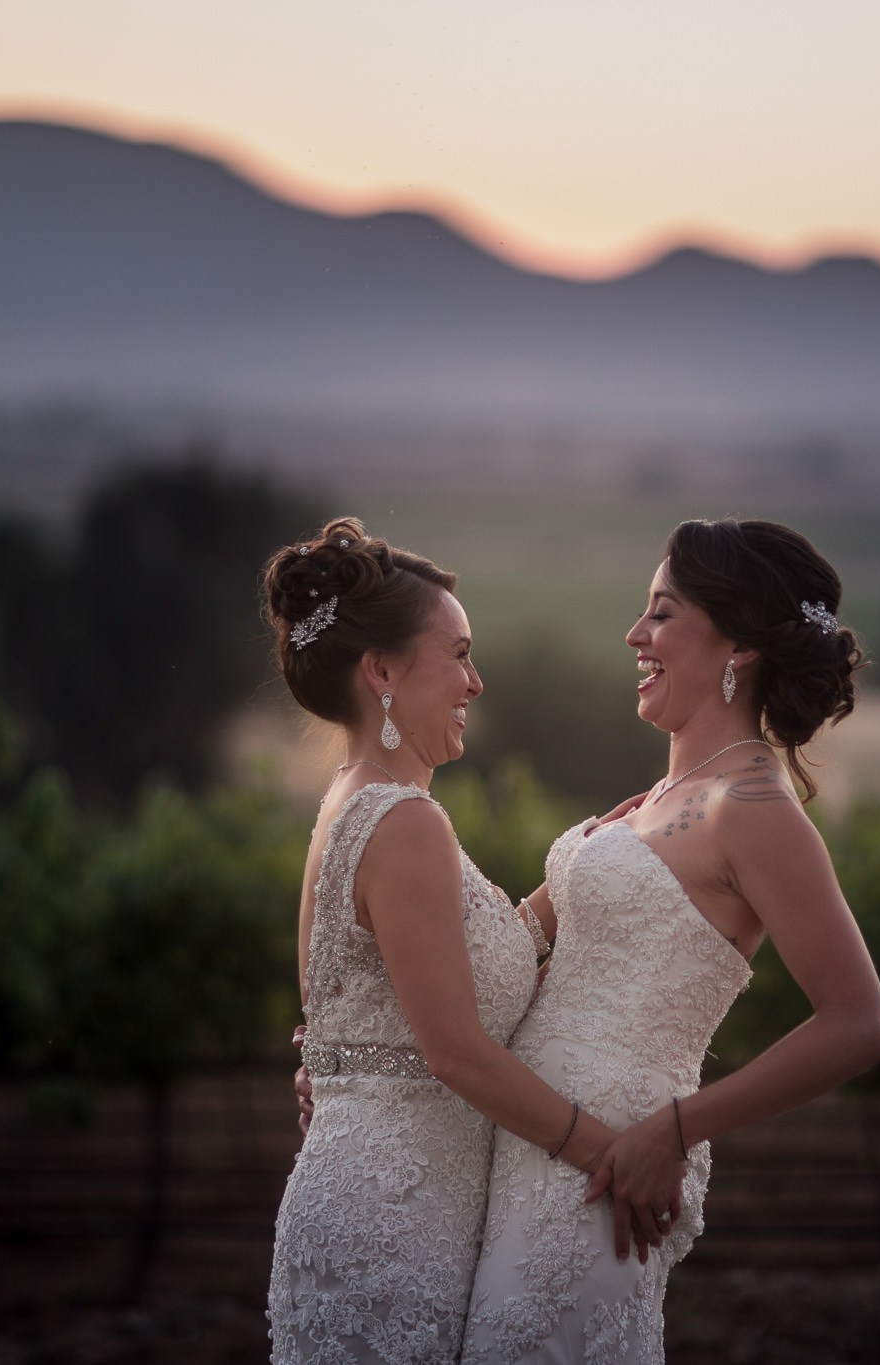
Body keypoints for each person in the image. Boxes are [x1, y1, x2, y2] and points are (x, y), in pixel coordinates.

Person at [460, 517, 880, 1363]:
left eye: (662, 613)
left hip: (610, 1162)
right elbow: (504, 946)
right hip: (526, 1144)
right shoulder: (661, 797)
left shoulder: (755, 810)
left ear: (736, 643)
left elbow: (860, 1022)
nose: (635, 634)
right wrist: (352, 1047)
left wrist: (675, 1128)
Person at [263, 518, 625, 1365]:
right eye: (458, 654)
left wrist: (591, 862)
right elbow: (455, 1052)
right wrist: (611, 1156)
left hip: (378, 1202)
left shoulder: (349, 803)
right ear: (381, 670)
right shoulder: (406, 822)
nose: (477, 681)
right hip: (393, 1228)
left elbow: (421, 990)